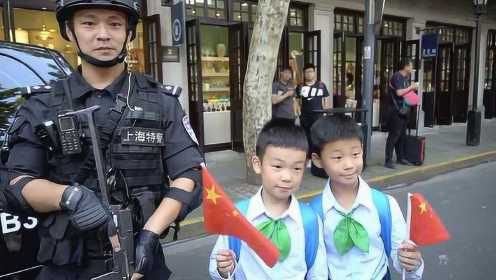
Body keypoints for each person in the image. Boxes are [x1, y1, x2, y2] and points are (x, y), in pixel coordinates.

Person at [4, 0, 203, 279]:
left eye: (114, 23)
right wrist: (69, 197)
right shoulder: (41, 104)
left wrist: (148, 235)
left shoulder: (162, 101)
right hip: (66, 265)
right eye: (88, 23)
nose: (103, 34)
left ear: (129, 33)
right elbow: (17, 182)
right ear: (69, 31)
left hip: (141, 263)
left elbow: (190, 176)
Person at [209, 119, 327, 280]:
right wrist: (224, 268)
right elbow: (217, 267)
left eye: (297, 168)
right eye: (278, 166)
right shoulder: (238, 216)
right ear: (258, 164)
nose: (287, 177)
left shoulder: (309, 219)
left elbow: (317, 272)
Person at [309, 115, 424, 280]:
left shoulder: (384, 205)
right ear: (318, 160)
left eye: (355, 154)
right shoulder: (313, 214)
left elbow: (401, 255)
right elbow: (316, 269)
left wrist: (412, 263)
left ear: (362, 149)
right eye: (338, 157)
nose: (349, 165)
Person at [385, 59, 418, 169]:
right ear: (406, 66)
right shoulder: (397, 76)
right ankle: (388, 160)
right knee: (394, 135)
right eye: (411, 66)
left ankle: (400, 157)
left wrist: (414, 97)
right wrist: (411, 87)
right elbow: (399, 92)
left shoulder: (405, 78)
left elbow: (405, 94)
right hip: (396, 110)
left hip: (403, 110)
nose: (412, 68)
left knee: (402, 136)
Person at [296, 63, 331, 159]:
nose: (309, 74)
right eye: (307, 72)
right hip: (305, 115)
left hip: (318, 115)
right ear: (304, 73)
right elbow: (297, 101)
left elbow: (326, 99)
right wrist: (298, 112)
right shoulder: (300, 86)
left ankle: (317, 155)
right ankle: (308, 156)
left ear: (314, 73)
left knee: (317, 135)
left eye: (311, 71)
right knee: (306, 136)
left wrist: (326, 112)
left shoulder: (321, 85)